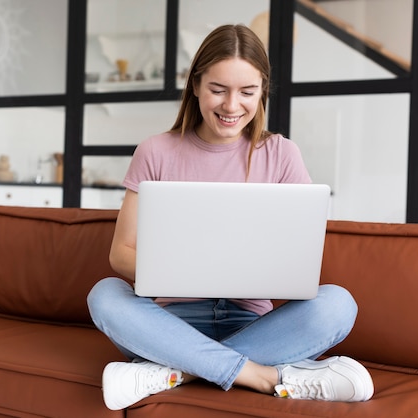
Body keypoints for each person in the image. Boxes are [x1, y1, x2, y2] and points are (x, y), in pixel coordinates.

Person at [87, 24, 374, 411]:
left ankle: (175, 371)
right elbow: (121, 254)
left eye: (247, 92)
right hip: (170, 323)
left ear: (263, 92)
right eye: (218, 90)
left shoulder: (282, 155)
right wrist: (189, 269)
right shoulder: (155, 151)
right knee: (104, 295)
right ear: (195, 85)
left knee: (338, 304)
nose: (231, 105)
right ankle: (265, 376)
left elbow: (299, 265)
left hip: (255, 324)